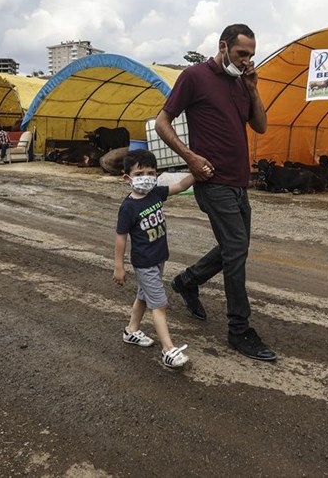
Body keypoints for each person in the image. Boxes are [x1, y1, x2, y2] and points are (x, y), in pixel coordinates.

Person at [155, 23, 276, 362]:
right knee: (236, 249)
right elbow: (162, 122)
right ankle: (239, 329)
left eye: (251, 55)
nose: (247, 60)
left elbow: (261, 126)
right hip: (212, 181)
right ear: (223, 47)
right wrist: (190, 158)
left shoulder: (241, 82)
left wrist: (252, 88)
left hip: (239, 183)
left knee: (234, 247)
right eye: (241, 54)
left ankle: (188, 281)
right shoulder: (195, 76)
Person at [113, 149, 195, 369]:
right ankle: (168, 350)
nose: (145, 177)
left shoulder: (156, 193)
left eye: (151, 172)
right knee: (159, 304)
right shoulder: (128, 207)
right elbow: (121, 238)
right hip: (145, 262)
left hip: (159, 258)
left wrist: (196, 171)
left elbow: (181, 186)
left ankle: (131, 331)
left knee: (144, 296)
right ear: (127, 178)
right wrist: (118, 266)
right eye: (139, 174)